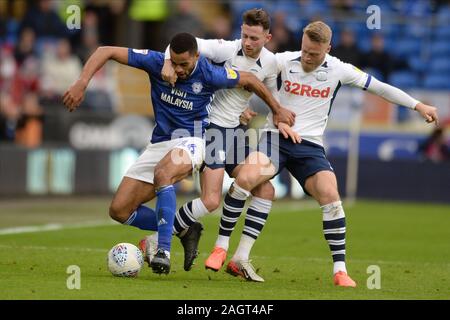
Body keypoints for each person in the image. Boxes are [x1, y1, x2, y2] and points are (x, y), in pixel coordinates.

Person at [206, 21, 439, 286]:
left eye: (314, 54)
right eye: (304, 50)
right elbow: (246, 77)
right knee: (247, 177)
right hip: (275, 138)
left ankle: (340, 270)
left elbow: (380, 87)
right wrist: (240, 109)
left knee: (330, 193)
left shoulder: (339, 69)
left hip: (310, 147)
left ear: (328, 48)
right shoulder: (282, 61)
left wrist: (417, 105)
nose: (306, 57)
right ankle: (221, 247)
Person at [62, 32, 296, 275]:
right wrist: (81, 83)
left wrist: (276, 109)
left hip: (194, 139)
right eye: (174, 62)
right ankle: (184, 228)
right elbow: (105, 50)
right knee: (119, 210)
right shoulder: (156, 63)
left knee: (165, 174)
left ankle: (162, 250)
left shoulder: (209, 73)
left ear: (197, 56)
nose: (179, 69)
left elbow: (249, 79)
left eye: (184, 64)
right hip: (159, 142)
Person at [139, 8, 295, 281]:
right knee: (211, 200)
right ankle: (154, 240)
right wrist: (166, 61)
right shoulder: (225, 49)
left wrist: (272, 117)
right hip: (209, 129)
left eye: (254, 38)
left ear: (267, 37)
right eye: (245, 35)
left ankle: (240, 258)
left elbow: (266, 95)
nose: (247, 42)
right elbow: (184, 42)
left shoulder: (271, 64)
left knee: (265, 190)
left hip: (234, 131)